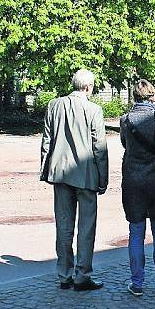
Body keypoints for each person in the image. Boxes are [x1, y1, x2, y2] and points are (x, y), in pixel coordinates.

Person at [40, 69, 109, 291]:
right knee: (86, 227)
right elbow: (99, 147)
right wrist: (103, 177)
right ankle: (82, 275)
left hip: (60, 173)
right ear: (88, 87)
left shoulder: (54, 105)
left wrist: (45, 169)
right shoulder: (94, 109)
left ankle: (64, 274)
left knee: (63, 225)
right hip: (86, 175)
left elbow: (46, 140)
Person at [120, 79, 155, 297]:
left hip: (133, 181)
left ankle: (137, 283)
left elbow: (125, 144)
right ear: (152, 95)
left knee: (136, 232)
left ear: (134, 96)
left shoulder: (125, 120)